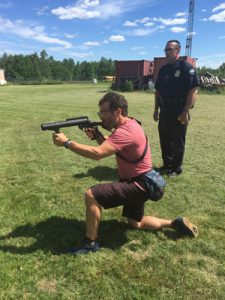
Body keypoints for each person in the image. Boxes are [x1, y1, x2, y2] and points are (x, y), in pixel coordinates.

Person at [53, 92, 198, 255]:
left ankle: (89, 243)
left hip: (138, 184)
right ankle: (174, 223)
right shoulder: (130, 124)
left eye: (104, 112)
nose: (101, 117)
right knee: (136, 223)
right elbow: (113, 146)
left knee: (91, 195)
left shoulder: (125, 132)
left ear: (118, 111)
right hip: (143, 183)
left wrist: (67, 143)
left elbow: (97, 154)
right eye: (100, 113)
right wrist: (98, 136)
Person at [154, 40, 199, 177]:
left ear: (177, 51)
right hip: (165, 109)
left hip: (179, 109)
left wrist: (185, 111)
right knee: (165, 138)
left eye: (169, 49)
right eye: (165, 50)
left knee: (178, 139)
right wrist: (156, 110)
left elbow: (193, 91)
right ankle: (167, 164)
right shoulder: (163, 69)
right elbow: (158, 91)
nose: (167, 52)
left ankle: (176, 167)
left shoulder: (186, 68)